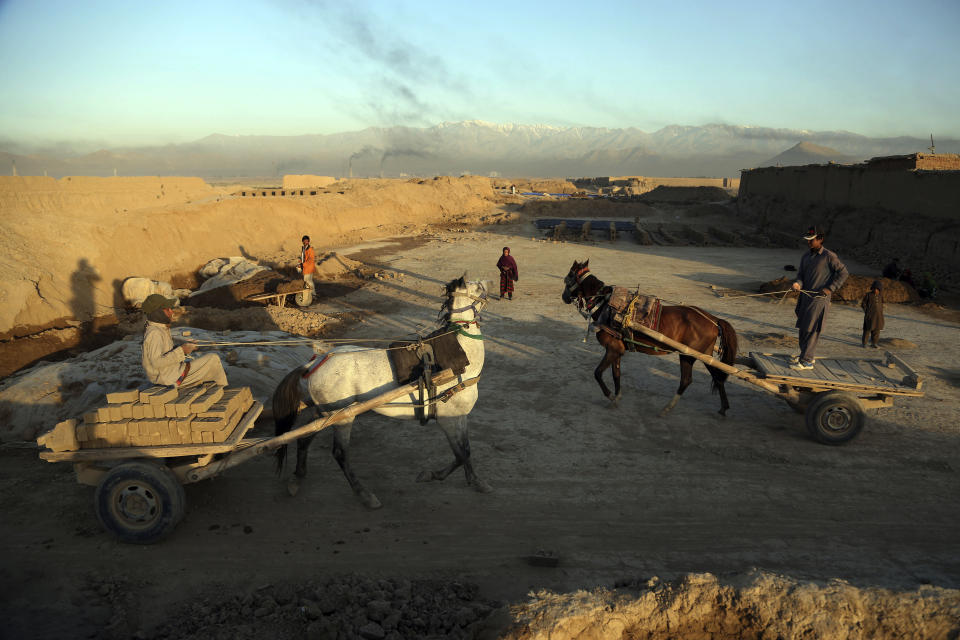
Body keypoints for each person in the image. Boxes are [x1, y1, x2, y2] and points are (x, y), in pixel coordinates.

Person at [789, 225, 849, 370]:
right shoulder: (805, 256)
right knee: (803, 328)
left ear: (820, 239)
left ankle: (807, 361)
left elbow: (843, 273)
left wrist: (830, 289)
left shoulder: (829, 256)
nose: (809, 242)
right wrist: (797, 283)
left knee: (812, 329)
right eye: (808, 240)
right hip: (805, 298)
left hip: (819, 299)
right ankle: (805, 354)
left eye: (812, 239)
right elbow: (801, 276)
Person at [141, 294, 227, 387]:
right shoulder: (155, 333)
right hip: (167, 378)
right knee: (213, 359)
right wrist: (181, 350)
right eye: (167, 309)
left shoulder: (159, 329)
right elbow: (157, 362)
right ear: (157, 313)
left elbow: (164, 353)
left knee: (209, 363)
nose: (171, 312)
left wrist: (184, 348)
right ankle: (223, 389)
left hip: (170, 373)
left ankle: (214, 388)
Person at [860, 280, 884, 349]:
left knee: (876, 330)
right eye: (874, 288)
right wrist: (867, 311)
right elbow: (863, 304)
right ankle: (864, 343)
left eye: (877, 289)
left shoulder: (880, 296)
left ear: (879, 289)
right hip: (870, 316)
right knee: (867, 329)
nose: (876, 290)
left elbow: (881, 304)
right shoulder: (868, 295)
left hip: (878, 316)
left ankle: (874, 343)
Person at [297, 235, 316, 306]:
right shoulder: (303, 248)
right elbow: (303, 258)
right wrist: (300, 262)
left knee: (308, 281)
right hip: (305, 267)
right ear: (302, 242)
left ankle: (312, 295)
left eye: (306, 241)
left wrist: (302, 265)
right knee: (308, 281)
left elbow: (310, 259)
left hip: (309, 267)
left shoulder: (310, 249)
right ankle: (312, 294)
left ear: (308, 241)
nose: (305, 242)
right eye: (304, 241)